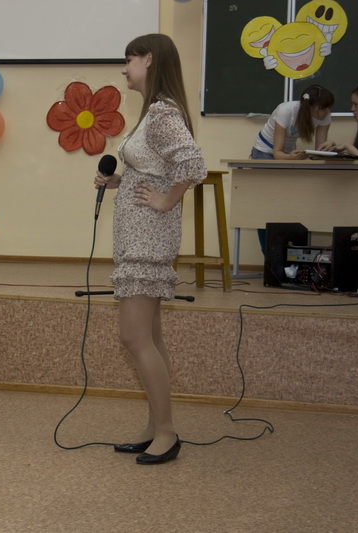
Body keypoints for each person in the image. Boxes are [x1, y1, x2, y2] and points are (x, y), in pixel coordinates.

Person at [93, 34, 207, 465]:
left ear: (149, 59)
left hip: (147, 240)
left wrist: (167, 200)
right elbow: (159, 169)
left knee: (133, 336)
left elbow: (192, 164)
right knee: (151, 337)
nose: (124, 69)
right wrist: (121, 182)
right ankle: (154, 425)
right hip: (137, 238)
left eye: (129, 60)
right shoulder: (152, 112)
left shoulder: (162, 112)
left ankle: (166, 432)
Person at [250, 84, 335, 160]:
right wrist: (290, 157)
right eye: (323, 108)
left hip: (287, 151)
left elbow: (320, 152)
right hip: (265, 150)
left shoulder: (325, 116)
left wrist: (331, 146)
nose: (327, 111)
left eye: (329, 107)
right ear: (309, 107)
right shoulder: (285, 111)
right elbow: (277, 154)